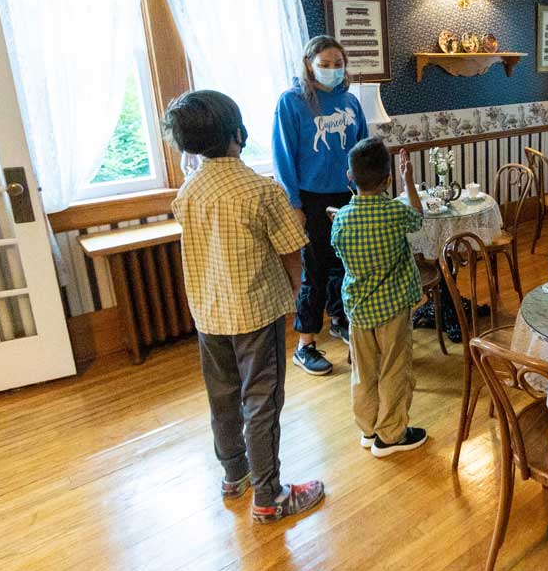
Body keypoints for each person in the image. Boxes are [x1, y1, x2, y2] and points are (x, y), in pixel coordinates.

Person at [165, 90, 325, 524]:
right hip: (256, 312)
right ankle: (270, 496)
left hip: (208, 312)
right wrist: (295, 293)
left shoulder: (189, 190)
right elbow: (293, 250)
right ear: (238, 133)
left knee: (222, 397)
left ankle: (235, 475)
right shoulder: (261, 190)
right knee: (262, 401)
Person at [273, 35, 369, 376]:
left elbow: (362, 149)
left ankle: (340, 320)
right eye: (324, 65)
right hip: (311, 199)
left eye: (337, 64)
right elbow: (283, 157)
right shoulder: (292, 102)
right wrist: (294, 203)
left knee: (344, 266)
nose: (331, 70)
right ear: (309, 65)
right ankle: (305, 344)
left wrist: (364, 192)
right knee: (313, 270)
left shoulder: (351, 102)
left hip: (347, 195)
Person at [331, 137, 427, 457]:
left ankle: (369, 428)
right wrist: (409, 179)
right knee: (395, 369)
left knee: (364, 372)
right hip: (392, 308)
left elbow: (339, 253)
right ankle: (392, 434)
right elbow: (417, 215)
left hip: (357, 311)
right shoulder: (394, 213)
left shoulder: (342, 219)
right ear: (388, 179)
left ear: (350, 177)